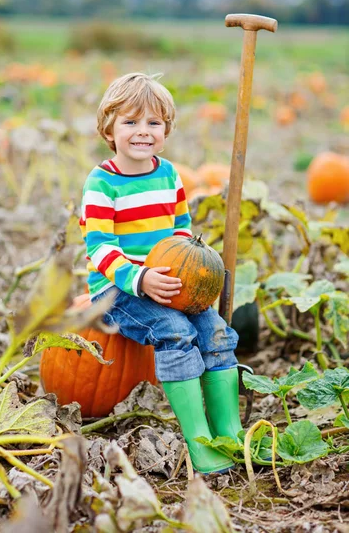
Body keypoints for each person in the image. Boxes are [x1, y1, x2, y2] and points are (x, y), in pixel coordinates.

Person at [80, 72, 242, 474]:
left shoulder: (169, 174)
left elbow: (182, 230)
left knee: (216, 331)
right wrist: (140, 278)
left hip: (173, 282)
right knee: (175, 331)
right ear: (109, 129)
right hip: (120, 291)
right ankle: (200, 440)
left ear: (166, 130)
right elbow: (100, 246)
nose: (143, 132)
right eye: (131, 122)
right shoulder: (102, 183)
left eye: (153, 123)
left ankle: (230, 431)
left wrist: (196, 271)